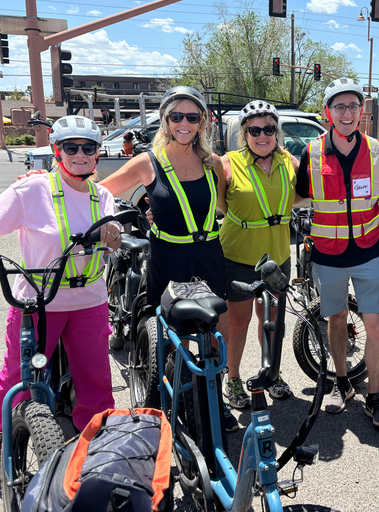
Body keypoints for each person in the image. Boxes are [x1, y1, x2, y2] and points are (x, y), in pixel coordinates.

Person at [0, 115, 120, 481]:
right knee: (19, 375)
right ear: (57, 151)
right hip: (38, 302)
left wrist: (114, 236)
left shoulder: (103, 195)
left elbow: (113, 239)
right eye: (71, 147)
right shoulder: (33, 189)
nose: (80, 154)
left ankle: (95, 441)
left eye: (88, 148)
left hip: (89, 301)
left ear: (97, 155)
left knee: (96, 379)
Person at [98, 86, 238, 431]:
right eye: (177, 117)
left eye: (193, 117)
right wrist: (47, 181)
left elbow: (221, 207)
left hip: (207, 254)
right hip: (168, 254)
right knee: (169, 334)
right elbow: (99, 191)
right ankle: (165, 399)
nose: (184, 123)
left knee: (215, 334)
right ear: (165, 120)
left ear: (203, 122)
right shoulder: (149, 161)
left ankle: (213, 399)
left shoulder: (213, 162)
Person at [295, 77, 379, 431]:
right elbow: (292, 196)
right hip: (329, 254)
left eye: (354, 106)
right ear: (328, 113)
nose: (348, 112)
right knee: (336, 320)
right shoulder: (310, 153)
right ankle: (341, 385)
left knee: (376, 324)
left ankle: (373, 397)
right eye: (340, 106)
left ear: (362, 111)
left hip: (369, 251)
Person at [219, 100, 300, 409]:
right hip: (238, 256)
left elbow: (308, 192)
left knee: (273, 320)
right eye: (255, 129)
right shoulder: (228, 163)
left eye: (269, 129)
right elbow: (214, 202)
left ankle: (272, 372)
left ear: (276, 131)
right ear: (245, 133)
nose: (262, 135)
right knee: (237, 323)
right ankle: (234, 378)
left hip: (277, 257)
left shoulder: (287, 162)